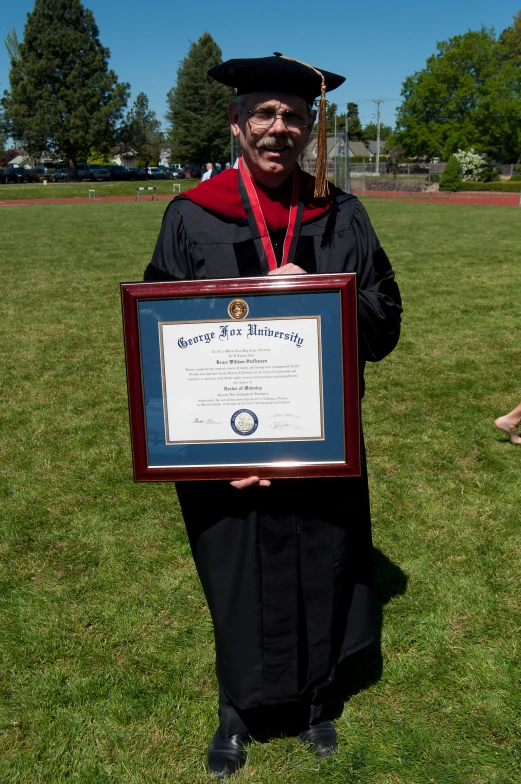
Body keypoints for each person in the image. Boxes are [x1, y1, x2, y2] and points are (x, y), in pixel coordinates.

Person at [145, 53, 402, 779]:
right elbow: (159, 342)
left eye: (292, 115)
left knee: (326, 559)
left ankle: (317, 701)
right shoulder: (193, 216)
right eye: (262, 113)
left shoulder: (341, 213)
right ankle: (237, 711)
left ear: (308, 126)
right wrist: (204, 454)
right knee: (234, 570)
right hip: (225, 452)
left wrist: (332, 291)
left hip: (316, 439)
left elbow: (385, 327)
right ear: (236, 124)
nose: (278, 128)